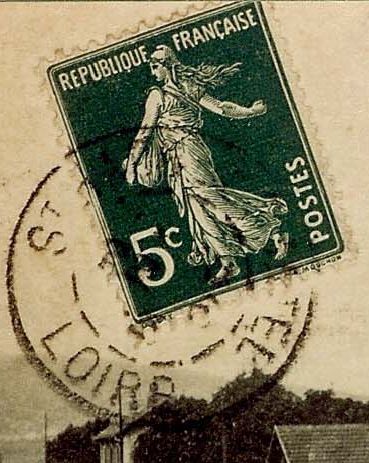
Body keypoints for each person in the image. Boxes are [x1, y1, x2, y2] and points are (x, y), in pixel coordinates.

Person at [123, 46, 289, 284]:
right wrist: (251, 111)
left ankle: (271, 227)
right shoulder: (184, 88)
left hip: (188, 153)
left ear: (168, 65)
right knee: (199, 209)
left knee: (212, 199)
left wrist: (132, 165)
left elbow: (145, 133)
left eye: (155, 65)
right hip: (180, 157)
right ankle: (228, 262)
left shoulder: (159, 95)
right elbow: (221, 107)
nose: (152, 71)